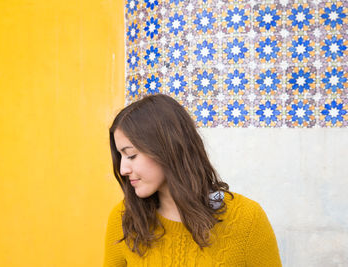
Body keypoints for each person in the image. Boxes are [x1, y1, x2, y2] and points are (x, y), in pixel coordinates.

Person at [104, 94, 282, 266]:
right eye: (121, 157)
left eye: (131, 155)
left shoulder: (247, 220)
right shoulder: (124, 220)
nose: (123, 169)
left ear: (167, 148)